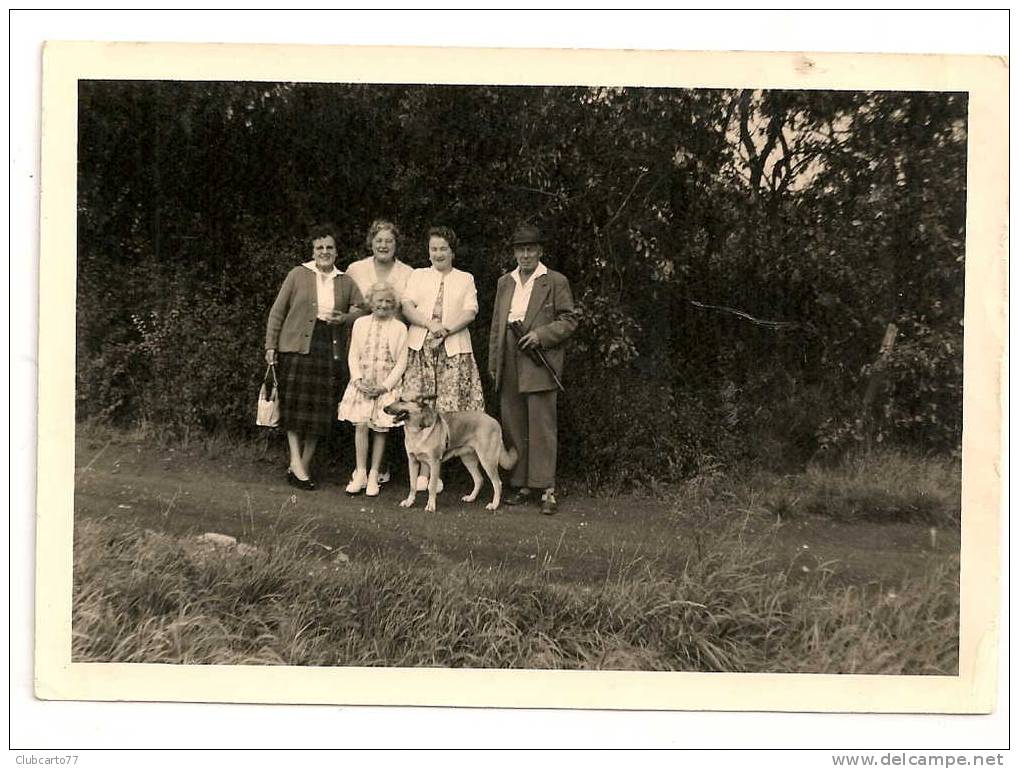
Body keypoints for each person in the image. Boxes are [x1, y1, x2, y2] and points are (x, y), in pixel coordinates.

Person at [265, 224, 365, 490]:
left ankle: (302, 466)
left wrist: (344, 318)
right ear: (312, 250)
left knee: (320, 413)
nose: (324, 252)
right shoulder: (298, 274)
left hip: (327, 347)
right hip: (297, 347)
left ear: (336, 251)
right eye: (319, 247)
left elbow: (363, 307)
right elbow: (277, 312)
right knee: (295, 410)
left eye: (329, 247)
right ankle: (296, 462)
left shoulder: (344, 280)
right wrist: (270, 346)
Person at [488, 223, 578, 515]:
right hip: (509, 356)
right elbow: (496, 326)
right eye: (520, 249)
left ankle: (546, 487)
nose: (525, 255)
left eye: (530, 249)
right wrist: (494, 362)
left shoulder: (554, 281)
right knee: (514, 422)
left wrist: (541, 335)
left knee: (541, 424)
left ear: (540, 250)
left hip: (539, 357)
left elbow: (568, 320)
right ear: (514, 252)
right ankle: (522, 484)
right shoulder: (505, 282)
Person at [402, 226, 486, 491]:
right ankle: (426, 476)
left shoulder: (465, 278)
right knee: (420, 409)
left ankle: (438, 472)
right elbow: (407, 307)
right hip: (421, 351)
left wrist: (446, 330)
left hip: (453, 352)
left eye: (443, 249)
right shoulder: (418, 275)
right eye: (433, 249)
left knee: (449, 412)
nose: (438, 254)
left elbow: (471, 311)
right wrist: (430, 325)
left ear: (452, 251)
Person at [345, 219, 415, 486]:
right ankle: (361, 471)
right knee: (362, 419)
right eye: (379, 240)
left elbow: (409, 307)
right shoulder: (356, 269)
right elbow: (351, 306)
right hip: (364, 351)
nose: (383, 244)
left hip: (390, 353)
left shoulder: (408, 272)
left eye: (389, 240)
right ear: (371, 242)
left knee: (383, 420)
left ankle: (379, 470)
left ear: (396, 244)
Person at [337, 283, 409, 497]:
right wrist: (358, 380)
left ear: (394, 305)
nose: (383, 305)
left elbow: (401, 363)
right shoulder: (360, 323)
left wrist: (384, 387)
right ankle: (359, 472)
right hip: (362, 385)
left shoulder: (399, 328)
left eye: (388, 301)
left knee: (380, 429)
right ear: (371, 302)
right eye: (379, 301)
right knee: (361, 426)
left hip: (384, 387)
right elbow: (353, 355)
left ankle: (374, 475)